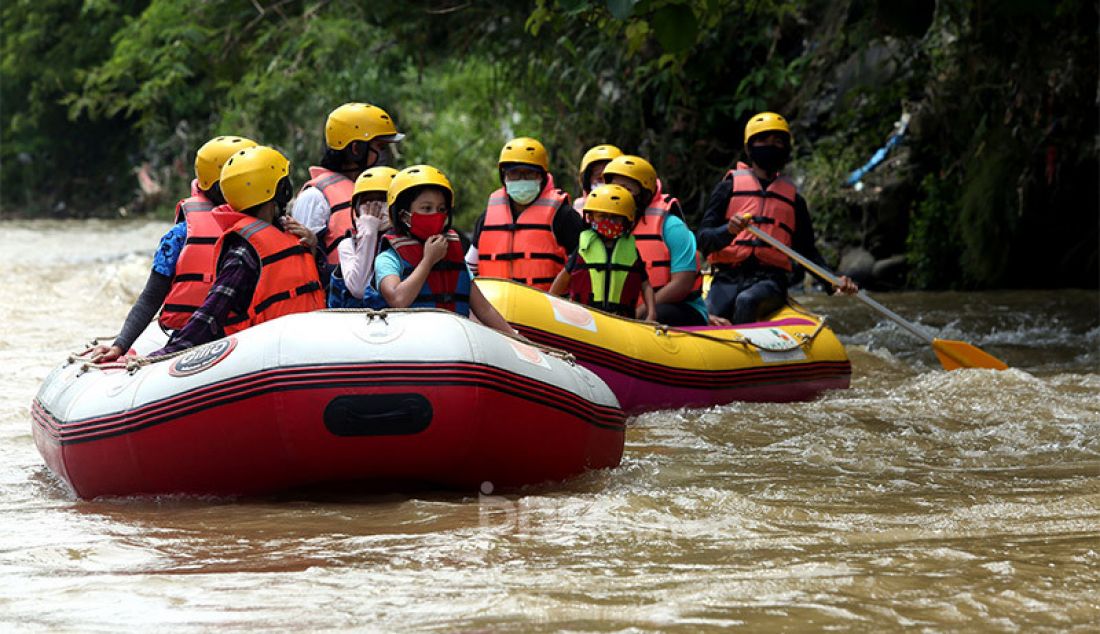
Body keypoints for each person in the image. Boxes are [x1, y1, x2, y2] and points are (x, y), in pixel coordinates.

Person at [90, 135, 257, 363]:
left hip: (253, 339)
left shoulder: (270, 225)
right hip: (194, 340)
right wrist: (121, 345)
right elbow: (151, 297)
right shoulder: (179, 236)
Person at [151, 146, 326, 356]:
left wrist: (314, 248)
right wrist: (166, 354)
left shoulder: (291, 234)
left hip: (303, 345)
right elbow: (211, 313)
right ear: (280, 190)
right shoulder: (244, 252)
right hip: (263, 355)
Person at [697, 111, 857, 325]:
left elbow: (806, 251)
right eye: (763, 140)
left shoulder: (794, 201)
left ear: (786, 150)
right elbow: (704, 239)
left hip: (769, 281)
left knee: (747, 301)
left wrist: (833, 281)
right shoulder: (727, 188)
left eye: (778, 142)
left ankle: (745, 353)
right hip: (727, 277)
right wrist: (729, 231)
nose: (771, 147)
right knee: (703, 315)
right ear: (749, 148)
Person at [375, 165, 514, 334]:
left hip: (455, 344)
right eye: (426, 208)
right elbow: (398, 299)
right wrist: (428, 261)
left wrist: (517, 338)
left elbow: (485, 310)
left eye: (441, 209)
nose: (436, 215)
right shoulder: (388, 258)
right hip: (412, 346)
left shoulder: (452, 253)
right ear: (404, 216)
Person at [292, 103, 404, 277]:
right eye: (380, 147)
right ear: (356, 149)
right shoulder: (315, 197)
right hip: (338, 300)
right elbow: (303, 266)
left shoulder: (380, 190)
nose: (385, 155)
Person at [601, 155, 708, 326]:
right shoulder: (607, 227)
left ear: (644, 193)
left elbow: (682, 284)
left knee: (659, 314)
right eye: (614, 188)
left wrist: (643, 309)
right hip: (628, 310)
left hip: (678, 307)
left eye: (627, 188)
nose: (619, 194)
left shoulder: (672, 226)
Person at [466, 137, 584, 291]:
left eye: (529, 174)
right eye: (514, 173)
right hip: (494, 309)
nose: (522, 180)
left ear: (542, 176)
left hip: (547, 308)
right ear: (504, 177)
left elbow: (582, 270)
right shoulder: (487, 218)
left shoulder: (563, 215)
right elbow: (469, 267)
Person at [550, 184, 656, 320]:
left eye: (615, 217)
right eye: (602, 216)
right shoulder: (584, 247)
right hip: (585, 318)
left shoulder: (630, 250)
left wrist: (652, 313)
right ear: (591, 217)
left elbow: (645, 285)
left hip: (621, 318)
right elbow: (564, 277)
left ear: (627, 220)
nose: (609, 222)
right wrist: (551, 301)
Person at [328, 166, 397, 309]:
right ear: (356, 209)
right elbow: (359, 288)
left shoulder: (403, 242)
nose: (375, 207)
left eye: (383, 199)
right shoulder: (348, 245)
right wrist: (369, 232)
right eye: (367, 201)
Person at [572, 144, 623, 213]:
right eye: (599, 179)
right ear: (587, 183)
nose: (605, 184)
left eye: (610, 179)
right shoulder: (579, 210)